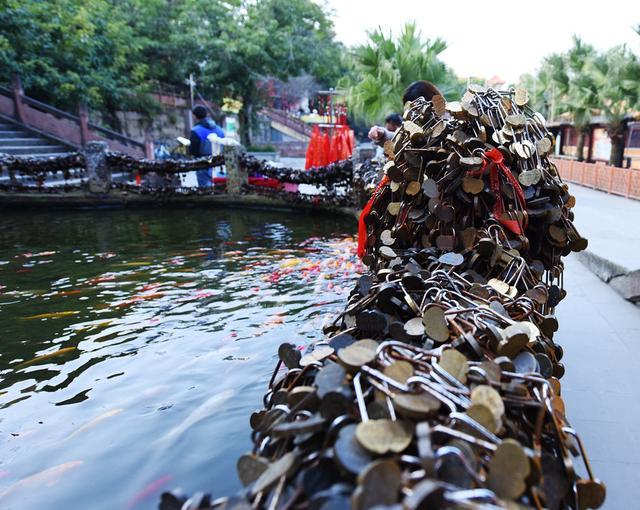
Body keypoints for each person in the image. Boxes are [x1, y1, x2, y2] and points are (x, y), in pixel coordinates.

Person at [368, 80, 442, 146]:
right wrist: (382, 133)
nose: (413, 115)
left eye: (417, 109)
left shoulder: (448, 121)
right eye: (410, 110)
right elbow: (401, 139)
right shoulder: (416, 128)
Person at [189, 105, 225, 188]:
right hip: (219, 163)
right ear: (206, 114)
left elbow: (193, 150)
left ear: (194, 116)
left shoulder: (196, 130)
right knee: (219, 186)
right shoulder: (219, 130)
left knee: (205, 189)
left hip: (202, 164)